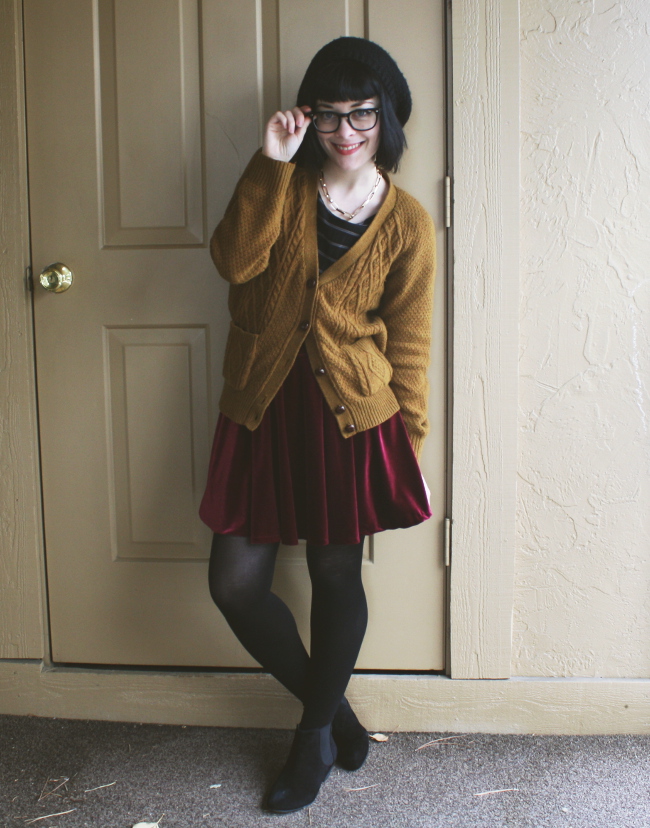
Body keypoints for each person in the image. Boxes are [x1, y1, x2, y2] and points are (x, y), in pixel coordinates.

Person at [199, 36, 436, 814]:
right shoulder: (283, 184)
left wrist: (410, 442)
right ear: (308, 118)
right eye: (328, 114)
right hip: (263, 404)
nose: (344, 130)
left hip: (352, 420)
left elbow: (410, 347)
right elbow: (234, 262)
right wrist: (271, 162)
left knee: (337, 575)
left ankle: (311, 740)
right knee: (235, 585)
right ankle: (332, 713)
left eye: (361, 112)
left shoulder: (408, 224)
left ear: (386, 115)